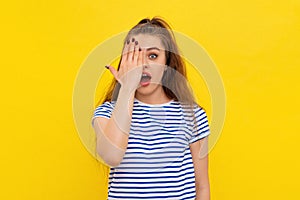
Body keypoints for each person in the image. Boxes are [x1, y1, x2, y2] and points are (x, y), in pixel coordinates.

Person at [92, 17, 210, 200]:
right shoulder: (107, 112)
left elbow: (202, 188)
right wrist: (127, 88)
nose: (143, 64)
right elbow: (111, 155)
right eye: (134, 56)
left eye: (153, 55)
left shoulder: (192, 115)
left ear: (166, 64)